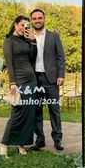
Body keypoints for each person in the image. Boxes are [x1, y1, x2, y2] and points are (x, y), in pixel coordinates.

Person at [0, 15, 37, 158]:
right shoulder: (9, 41)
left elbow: (33, 57)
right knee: (17, 114)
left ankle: (21, 144)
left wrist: (33, 41)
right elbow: (9, 64)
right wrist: (13, 83)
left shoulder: (27, 41)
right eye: (22, 25)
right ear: (15, 25)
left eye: (27, 26)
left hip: (32, 81)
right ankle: (3, 145)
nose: (24, 28)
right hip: (19, 81)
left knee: (29, 114)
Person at [29, 8, 65, 151]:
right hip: (34, 79)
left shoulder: (53, 36)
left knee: (54, 110)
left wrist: (61, 75)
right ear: (31, 21)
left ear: (44, 19)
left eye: (40, 18)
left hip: (50, 79)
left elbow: (60, 57)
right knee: (36, 110)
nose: (37, 20)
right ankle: (40, 140)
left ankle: (58, 140)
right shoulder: (27, 37)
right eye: (34, 18)